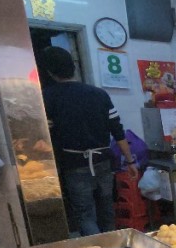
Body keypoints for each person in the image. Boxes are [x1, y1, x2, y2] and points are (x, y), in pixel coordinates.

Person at [41, 46, 137, 237]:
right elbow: (118, 131)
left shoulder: (47, 97)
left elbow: (44, 134)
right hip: (103, 162)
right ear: (74, 67)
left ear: (50, 72)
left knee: (85, 214)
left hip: (74, 165)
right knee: (107, 207)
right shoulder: (99, 94)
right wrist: (130, 161)